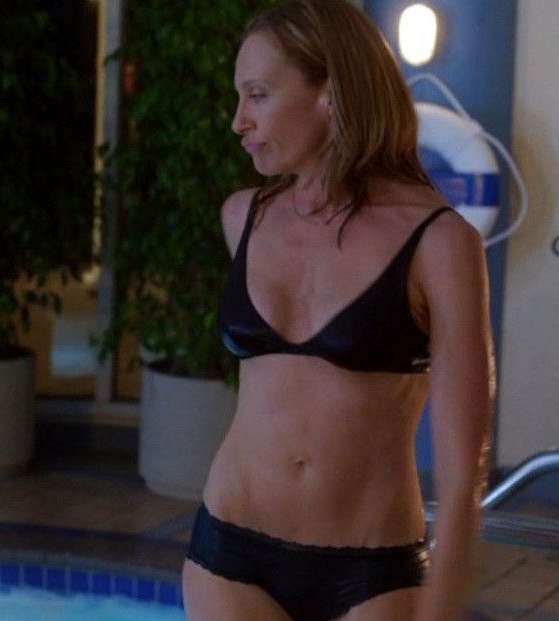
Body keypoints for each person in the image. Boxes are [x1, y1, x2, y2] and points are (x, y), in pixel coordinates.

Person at [182, 1, 495, 619]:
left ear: (331, 94)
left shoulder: (440, 243)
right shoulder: (243, 217)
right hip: (230, 553)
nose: (239, 121)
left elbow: (463, 470)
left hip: (372, 570)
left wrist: (444, 605)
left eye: (258, 95)